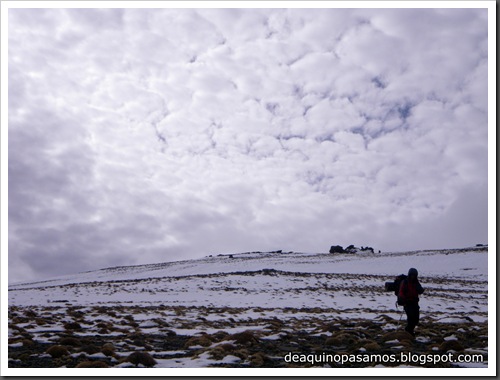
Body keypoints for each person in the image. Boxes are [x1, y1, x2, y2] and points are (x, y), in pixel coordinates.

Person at [398, 267, 424, 336]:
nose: (413, 277)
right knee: (411, 318)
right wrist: (403, 299)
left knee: (416, 319)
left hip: (415, 303)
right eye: (412, 275)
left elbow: (420, 290)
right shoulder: (405, 282)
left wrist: (420, 290)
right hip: (407, 303)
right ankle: (408, 332)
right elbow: (401, 292)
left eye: (414, 275)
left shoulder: (416, 282)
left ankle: (410, 330)